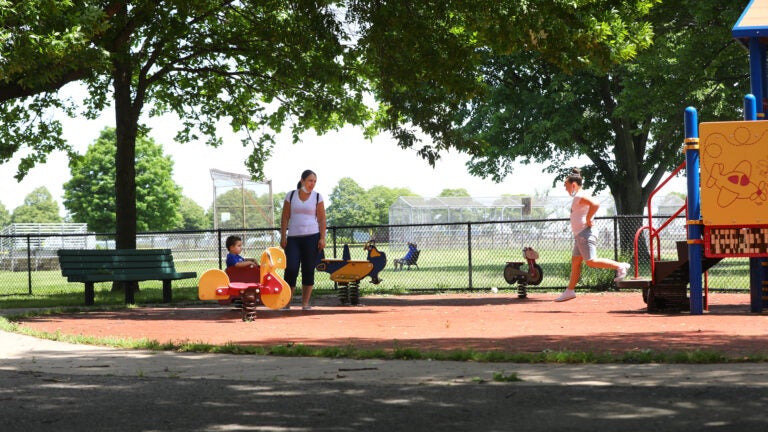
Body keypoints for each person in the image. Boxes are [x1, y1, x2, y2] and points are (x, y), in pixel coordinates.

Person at [555, 167, 630, 302]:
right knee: (576, 262)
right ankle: (570, 291)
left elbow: (595, 204)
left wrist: (589, 219)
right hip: (580, 234)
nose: (566, 189)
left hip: (585, 233)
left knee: (591, 261)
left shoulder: (580, 195)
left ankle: (620, 266)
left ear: (573, 185)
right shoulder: (579, 196)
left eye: (566, 186)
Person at [280, 169, 327, 310]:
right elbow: (285, 216)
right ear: (302, 180)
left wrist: (322, 237)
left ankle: (305, 303)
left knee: (308, 270)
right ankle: (286, 302)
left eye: (314, 181)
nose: (312, 184)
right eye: (310, 180)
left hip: (312, 237)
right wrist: (283, 236)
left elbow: (322, 218)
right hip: (293, 238)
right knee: (291, 269)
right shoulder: (291, 195)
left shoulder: (318, 197)